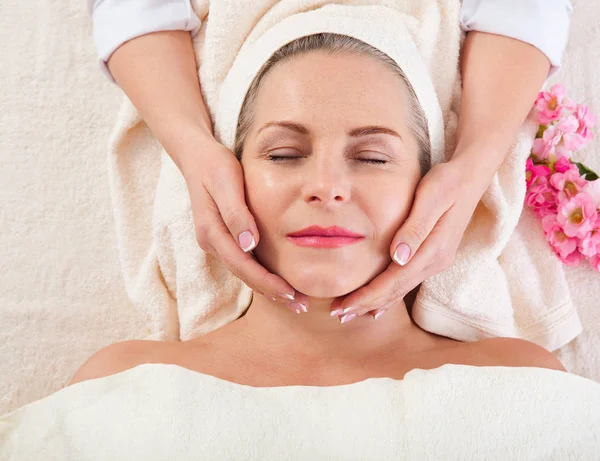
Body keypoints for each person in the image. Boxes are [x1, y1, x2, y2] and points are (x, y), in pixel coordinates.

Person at [69, 33, 565, 387]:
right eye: (283, 154)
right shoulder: (123, 385)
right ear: (224, 178)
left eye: (371, 157)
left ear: (430, 186)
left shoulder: (521, 381)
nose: (326, 188)